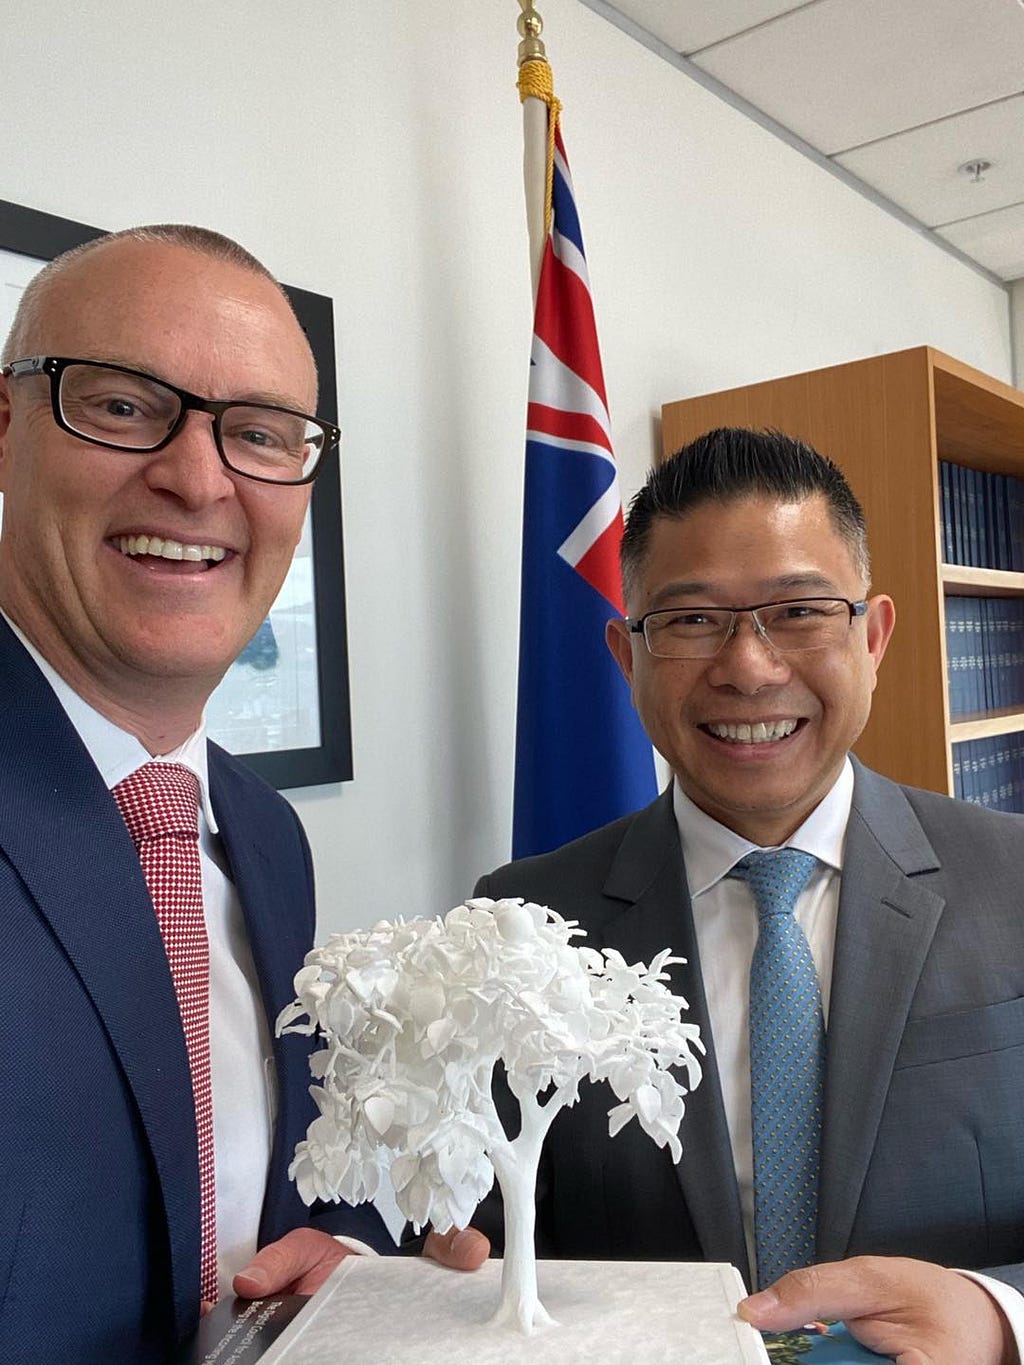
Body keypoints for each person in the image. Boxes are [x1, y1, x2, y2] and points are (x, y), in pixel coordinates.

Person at [0, 225, 479, 1365]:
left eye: (261, 434)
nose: (200, 476)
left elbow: (249, 1203)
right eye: (121, 406)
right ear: (6, 428)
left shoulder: (263, 836)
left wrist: (355, 1271)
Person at [471, 428, 1024, 1365]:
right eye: (690, 621)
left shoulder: (1013, 879)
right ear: (624, 653)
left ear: (875, 635)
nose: (749, 667)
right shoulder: (525, 922)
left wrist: (1000, 1316)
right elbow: (481, 1242)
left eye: (800, 610)